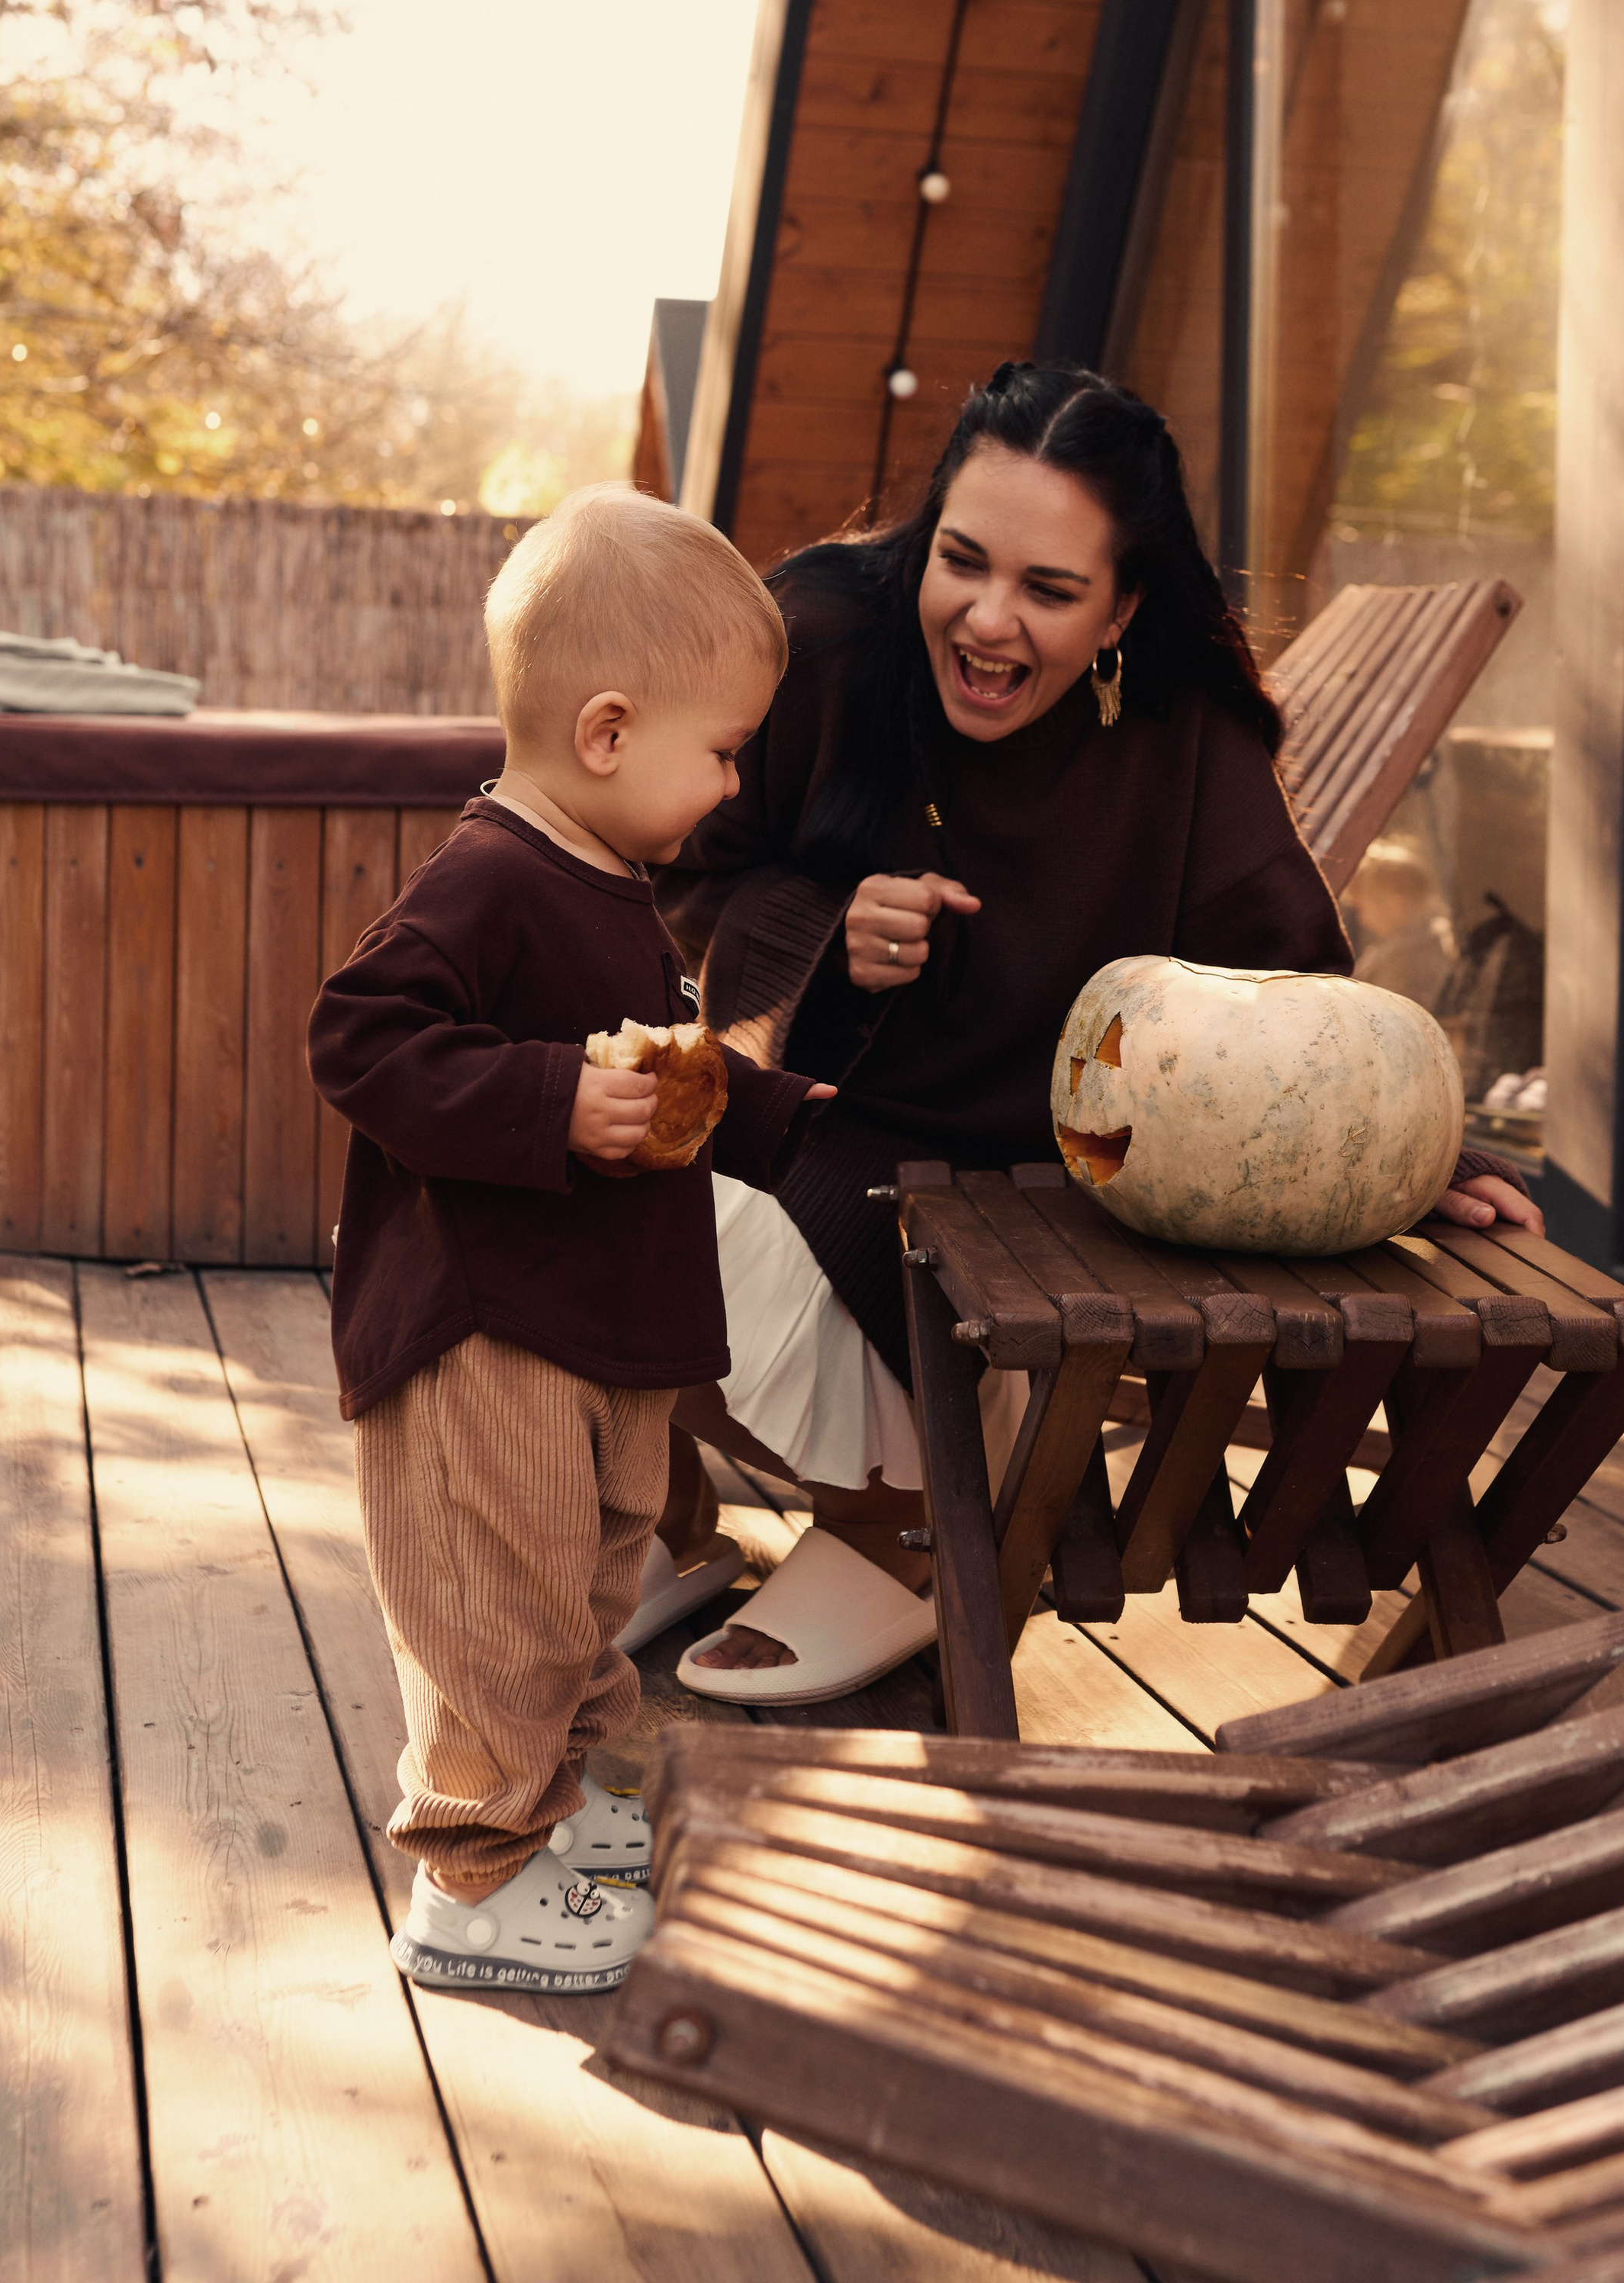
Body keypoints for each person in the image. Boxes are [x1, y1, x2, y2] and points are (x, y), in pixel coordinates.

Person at [653, 363, 1541, 1706]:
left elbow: (1295, 992)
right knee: (545, 1182)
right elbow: (673, 872)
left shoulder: (1184, 732)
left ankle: (908, 1522)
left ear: (1123, 607)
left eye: (1050, 591)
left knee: (628, 1238)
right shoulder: (822, 639)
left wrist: (1412, 1163)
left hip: (1047, 1209)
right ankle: (662, 1519)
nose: (987, 622)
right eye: (962, 561)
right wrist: (825, 924)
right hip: (818, 1133)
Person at [307, 486, 831, 1993]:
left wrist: (792, 1115)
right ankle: (475, 1883)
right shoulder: (488, 880)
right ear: (607, 732)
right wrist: (546, 1100)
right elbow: (360, 1036)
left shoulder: (611, 884)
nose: (733, 786)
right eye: (723, 751)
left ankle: (584, 1843)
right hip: (488, 1338)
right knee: (498, 1616)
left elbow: (663, 1080)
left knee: (586, 1603)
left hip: (597, 1335)